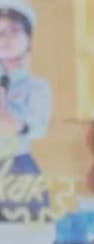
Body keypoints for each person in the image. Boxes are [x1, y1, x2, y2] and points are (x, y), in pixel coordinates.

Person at [0, 0, 51, 220]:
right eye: (0, 32)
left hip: (17, 171)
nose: (5, 39)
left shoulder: (36, 87)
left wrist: (10, 119)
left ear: (28, 39)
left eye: (14, 31)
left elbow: (35, 127)